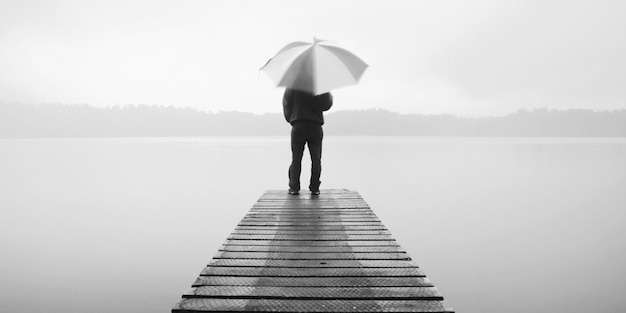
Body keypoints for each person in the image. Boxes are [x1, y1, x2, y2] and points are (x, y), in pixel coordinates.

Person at [283, 88, 333, 195]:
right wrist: (329, 95)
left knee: (296, 159)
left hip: (298, 124)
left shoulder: (293, 85)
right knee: (316, 159)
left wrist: (291, 118)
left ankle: (294, 187)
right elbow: (326, 105)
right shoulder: (319, 84)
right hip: (315, 125)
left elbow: (286, 103)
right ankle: (314, 188)